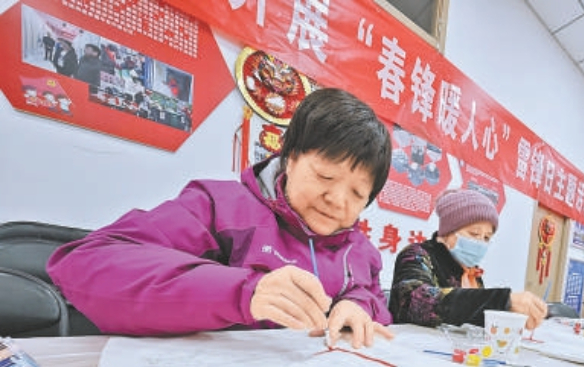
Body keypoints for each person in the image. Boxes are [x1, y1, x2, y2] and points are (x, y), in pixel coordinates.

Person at [48, 88, 393, 348]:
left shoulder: (360, 251)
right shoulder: (222, 208)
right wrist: (243, 293)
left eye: (357, 194)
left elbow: (375, 301)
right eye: (325, 176)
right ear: (289, 158)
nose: (337, 201)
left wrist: (358, 307)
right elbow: (86, 263)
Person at [389, 189, 547, 330]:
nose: (480, 243)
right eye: (474, 234)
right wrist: (502, 301)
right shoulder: (417, 255)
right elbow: (416, 301)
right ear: (447, 232)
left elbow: (475, 314)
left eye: (486, 238)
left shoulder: (471, 273)